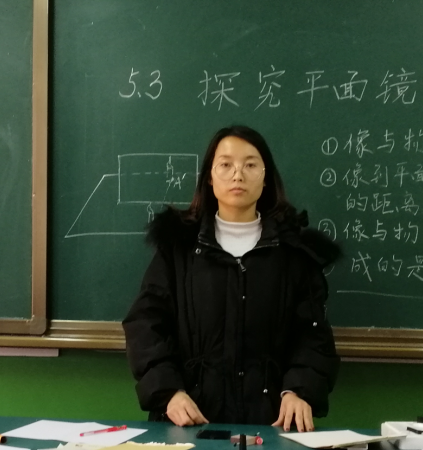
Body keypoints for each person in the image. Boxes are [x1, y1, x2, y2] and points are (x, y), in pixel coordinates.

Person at [123, 125, 340, 430]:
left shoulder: (294, 255)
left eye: (250, 165)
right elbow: (145, 325)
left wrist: (298, 391)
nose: (238, 174)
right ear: (209, 177)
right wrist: (169, 392)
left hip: (273, 425)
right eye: (225, 165)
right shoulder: (178, 249)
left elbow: (313, 335)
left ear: (265, 178)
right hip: (189, 423)